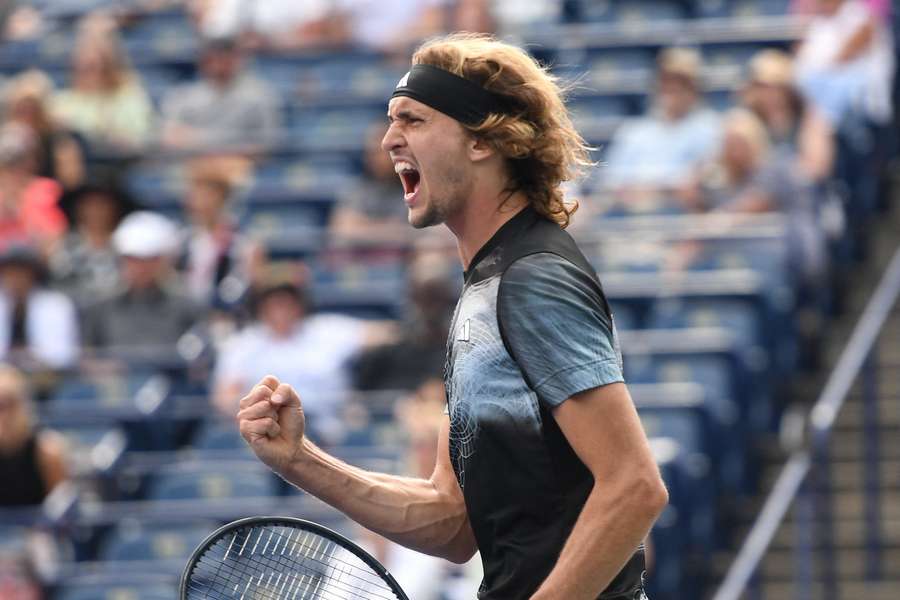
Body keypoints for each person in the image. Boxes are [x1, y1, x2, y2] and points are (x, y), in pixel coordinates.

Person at [237, 34, 667, 599]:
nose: (389, 139)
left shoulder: (533, 279)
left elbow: (634, 486)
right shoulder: (478, 295)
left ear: (483, 141)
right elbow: (452, 520)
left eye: (413, 120)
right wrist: (302, 461)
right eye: (391, 121)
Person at [214, 278, 386, 443]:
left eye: (286, 303)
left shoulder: (326, 330)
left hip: (329, 430)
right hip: (268, 430)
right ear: (262, 308)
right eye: (274, 304)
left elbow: (383, 333)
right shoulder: (244, 344)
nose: (281, 310)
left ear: (299, 305)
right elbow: (225, 397)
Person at [602, 47, 721, 201]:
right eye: (666, 81)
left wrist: (659, 190)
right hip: (633, 214)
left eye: (681, 83)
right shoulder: (634, 131)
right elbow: (612, 183)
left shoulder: (712, 129)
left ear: (695, 89)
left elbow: (704, 180)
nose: (672, 89)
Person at [80, 211, 201, 357]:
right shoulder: (101, 310)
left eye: (149, 260)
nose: (139, 268)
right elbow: (88, 357)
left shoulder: (186, 309)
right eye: (132, 259)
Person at [160, 36, 281, 152]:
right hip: (194, 163)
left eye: (227, 58)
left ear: (238, 60)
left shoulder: (259, 95)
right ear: (203, 62)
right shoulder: (182, 95)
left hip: (241, 164)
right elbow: (170, 138)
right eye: (214, 58)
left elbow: (268, 143)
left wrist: (197, 138)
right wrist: (230, 141)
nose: (220, 65)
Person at [51, 20, 154, 155]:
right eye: (83, 66)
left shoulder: (130, 97)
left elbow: (143, 138)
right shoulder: (62, 101)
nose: (87, 71)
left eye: (95, 66)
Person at [177, 157, 262, 310]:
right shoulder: (182, 241)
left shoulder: (242, 243)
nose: (196, 201)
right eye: (193, 194)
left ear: (221, 197)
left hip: (226, 315)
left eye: (204, 193)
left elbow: (247, 287)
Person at [741, 49, 835, 183]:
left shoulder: (809, 118)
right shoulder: (747, 118)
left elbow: (816, 168)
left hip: (802, 196)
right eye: (762, 86)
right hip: (759, 194)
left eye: (776, 86)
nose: (769, 94)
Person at [50, 173, 137, 306]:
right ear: (77, 208)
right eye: (89, 204)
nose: (95, 211)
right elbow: (58, 286)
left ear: (115, 207)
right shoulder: (63, 246)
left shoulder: (129, 244)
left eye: (102, 204)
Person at [0, 245, 79, 371]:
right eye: (9, 273)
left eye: (21, 273)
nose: (15, 279)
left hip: (46, 377)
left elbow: (62, 355)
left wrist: (28, 358)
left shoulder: (55, 305)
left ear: (34, 275)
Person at [3, 69, 85, 191]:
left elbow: (71, 180)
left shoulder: (60, 139)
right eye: (21, 108)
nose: (27, 113)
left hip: (50, 197)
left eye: (32, 108)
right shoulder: (4, 138)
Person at [0, 364, 68, 507]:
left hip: (39, 529)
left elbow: (61, 512)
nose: (4, 415)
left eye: (10, 404)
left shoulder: (47, 451)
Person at [329, 123, 410, 241]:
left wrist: (363, 226)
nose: (375, 157)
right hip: (357, 257)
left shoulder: (412, 188)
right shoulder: (356, 188)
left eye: (381, 151)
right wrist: (387, 228)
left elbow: (407, 232)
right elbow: (342, 228)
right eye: (372, 151)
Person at [0, 123, 66, 252]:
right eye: (9, 162)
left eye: (20, 160)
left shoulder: (47, 189)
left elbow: (55, 235)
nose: (15, 168)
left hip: (33, 263)